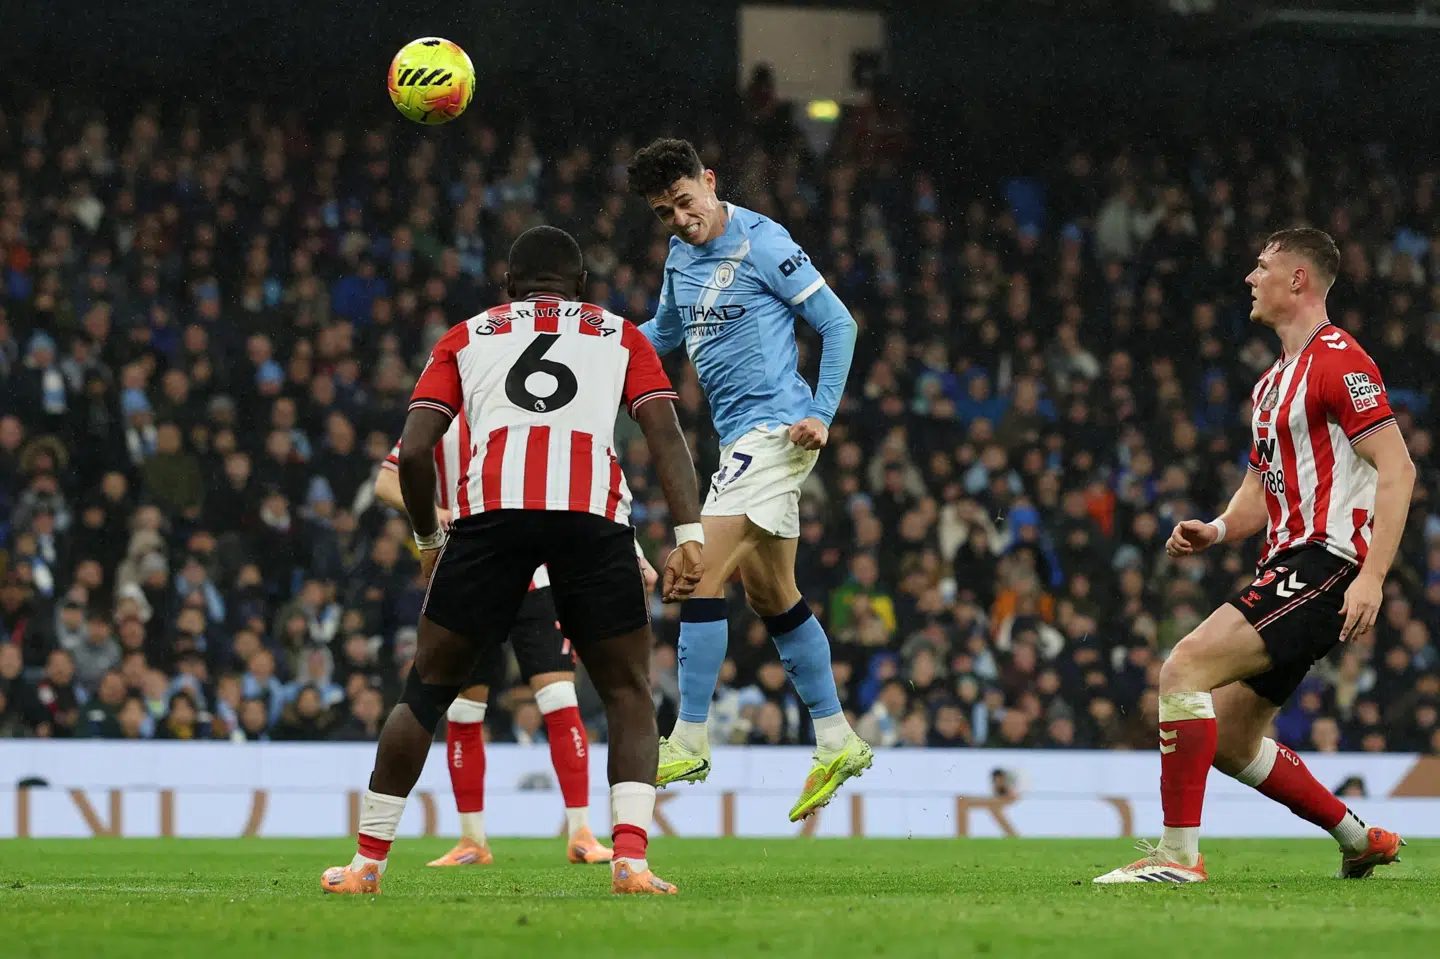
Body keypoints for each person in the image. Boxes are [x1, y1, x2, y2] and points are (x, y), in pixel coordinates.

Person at [321, 225, 704, 896]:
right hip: (591, 521)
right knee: (626, 693)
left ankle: (365, 866)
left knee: (426, 692)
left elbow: (412, 454)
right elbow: (665, 434)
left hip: (491, 521)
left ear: (508, 286)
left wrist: (428, 541)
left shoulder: (465, 336)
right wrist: (689, 532)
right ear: (580, 286)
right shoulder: (622, 335)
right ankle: (631, 862)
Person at [1095, 228, 1412, 884]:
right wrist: (1215, 529)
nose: (1250, 277)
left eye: (1262, 265)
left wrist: (1372, 576)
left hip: (1327, 563)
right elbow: (1259, 491)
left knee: (1182, 668)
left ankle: (1177, 857)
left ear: (1297, 279)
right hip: (1287, 565)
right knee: (1234, 737)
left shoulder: (1340, 361)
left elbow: (1398, 468)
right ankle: (1359, 838)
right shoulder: (1271, 385)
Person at [626, 137, 872, 822]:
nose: (678, 218)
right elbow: (663, 334)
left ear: (709, 180)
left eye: (684, 201)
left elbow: (837, 322)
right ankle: (836, 739)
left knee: (697, 568)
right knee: (773, 595)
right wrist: (603, 339)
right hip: (742, 440)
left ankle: (690, 738)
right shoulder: (681, 260)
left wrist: (821, 413)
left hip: (779, 431)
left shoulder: (764, 241)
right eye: (663, 211)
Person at [374, 426, 661, 866]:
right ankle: (472, 840)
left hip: (540, 581)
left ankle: (581, 832)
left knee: (559, 698)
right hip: (475, 578)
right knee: (464, 710)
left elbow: (592, 488)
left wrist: (635, 551)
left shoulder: (532, 415)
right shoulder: (441, 419)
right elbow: (386, 481)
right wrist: (436, 512)